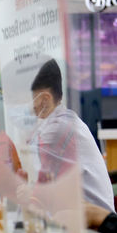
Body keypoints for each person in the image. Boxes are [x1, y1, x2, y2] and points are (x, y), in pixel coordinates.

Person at [27, 59, 115, 212]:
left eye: (22, 98)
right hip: (81, 225)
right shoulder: (58, 122)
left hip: (96, 232)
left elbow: (36, 197)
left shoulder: (59, 129)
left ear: (45, 99)